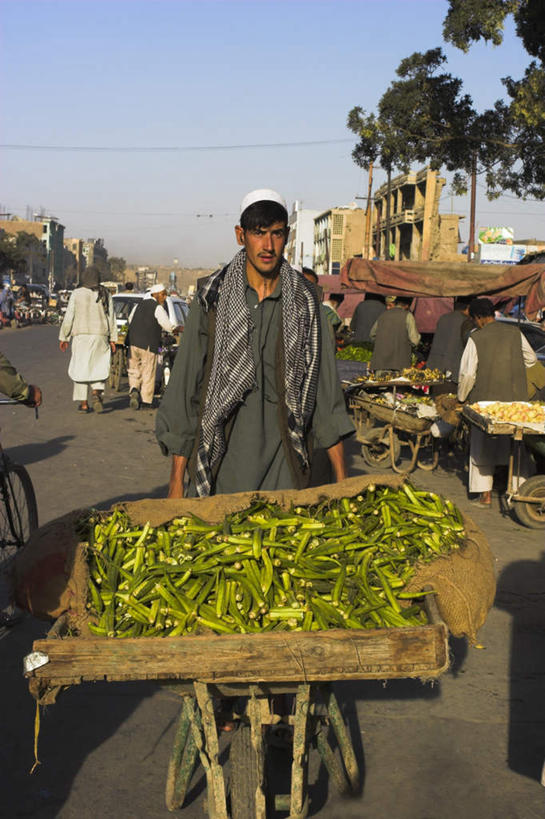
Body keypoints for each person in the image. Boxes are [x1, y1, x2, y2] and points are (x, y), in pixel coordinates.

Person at [156, 188, 354, 498]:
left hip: (286, 470)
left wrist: (344, 484)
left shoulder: (306, 302)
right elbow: (186, 389)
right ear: (240, 235)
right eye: (258, 233)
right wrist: (176, 482)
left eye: (276, 234)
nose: (268, 245)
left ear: (286, 236)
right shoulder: (213, 298)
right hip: (222, 468)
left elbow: (327, 397)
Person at [457, 298, 537, 506]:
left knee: (481, 447)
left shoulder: (476, 338)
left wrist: (461, 398)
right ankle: (520, 491)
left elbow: (467, 375)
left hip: (485, 402)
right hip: (515, 403)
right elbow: (531, 359)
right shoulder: (514, 333)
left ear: (478, 318)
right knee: (516, 445)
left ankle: (485, 495)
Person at [58, 265, 117, 413]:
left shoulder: (77, 293)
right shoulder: (105, 293)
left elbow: (69, 316)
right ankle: (96, 393)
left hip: (81, 336)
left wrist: (64, 337)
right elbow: (111, 317)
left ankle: (84, 404)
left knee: (81, 369)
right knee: (98, 366)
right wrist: (113, 339)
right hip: (100, 336)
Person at [126, 284, 179, 410]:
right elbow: (167, 325)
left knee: (134, 369)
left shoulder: (138, 306)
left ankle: (134, 388)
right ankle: (146, 401)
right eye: (163, 294)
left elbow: (130, 320)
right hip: (149, 345)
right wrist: (175, 329)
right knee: (148, 372)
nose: (165, 297)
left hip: (133, 343)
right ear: (155, 294)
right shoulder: (157, 308)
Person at [369, 295, 420, 372]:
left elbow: (372, 335)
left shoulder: (383, 315)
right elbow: (414, 341)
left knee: (382, 383)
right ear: (407, 306)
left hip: (380, 364)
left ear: (396, 303)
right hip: (400, 364)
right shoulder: (408, 316)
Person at [426, 298, 471, 384]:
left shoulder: (443, 318)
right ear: (468, 307)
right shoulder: (466, 321)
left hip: (436, 367)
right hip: (452, 369)